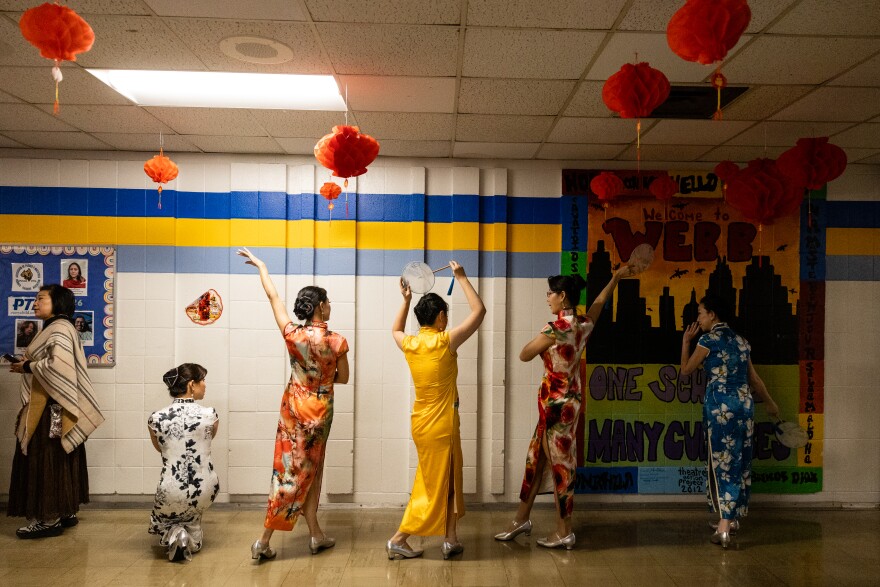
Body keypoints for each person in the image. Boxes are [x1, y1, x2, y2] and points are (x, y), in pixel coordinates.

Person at [495, 267, 630, 550]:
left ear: (562, 296)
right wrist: (614, 278)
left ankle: (564, 530)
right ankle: (521, 519)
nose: (547, 298)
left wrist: (544, 342)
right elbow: (599, 304)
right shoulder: (583, 324)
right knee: (537, 459)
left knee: (560, 467)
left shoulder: (555, 329)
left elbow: (524, 354)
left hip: (555, 407)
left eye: (550, 293)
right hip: (566, 405)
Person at [238, 247, 350, 561]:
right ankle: (263, 540)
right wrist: (321, 380)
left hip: (292, 410)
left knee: (296, 470)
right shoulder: (337, 341)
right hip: (319, 412)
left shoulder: (292, 334)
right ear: (320, 307)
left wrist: (262, 267)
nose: (330, 306)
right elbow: (343, 378)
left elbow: (274, 299)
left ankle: (315, 534)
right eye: (327, 302)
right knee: (300, 473)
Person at [387, 260, 485, 561]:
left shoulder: (411, 344)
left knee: (450, 479)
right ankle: (399, 537)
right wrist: (462, 277)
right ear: (441, 317)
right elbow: (479, 312)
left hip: (422, 424)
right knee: (432, 485)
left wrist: (405, 301)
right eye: (446, 314)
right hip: (442, 426)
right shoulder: (445, 342)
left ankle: (451, 538)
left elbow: (395, 329)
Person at [680, 294, 779, 549]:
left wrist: (685, 341)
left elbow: (686, 370)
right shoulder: (741, 341)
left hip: (720, 408)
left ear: (713, 314)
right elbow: (755, 380)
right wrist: (769, 403)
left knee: (722, 461)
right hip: (744, 405)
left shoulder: (707, 340)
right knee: (740, 459)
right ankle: (732, 518)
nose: (698, 318)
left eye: (701, 313)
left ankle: (724, 526)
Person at [6, 284, 104, 538]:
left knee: (45, 456)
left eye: (40, 299)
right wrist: (29, 366)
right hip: (57, 407)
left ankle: (48, 518)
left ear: (57, 303)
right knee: (60, 454)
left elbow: (57, 368)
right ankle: (65, 510)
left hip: (49, 407)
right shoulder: (63, 327)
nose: (35, 304)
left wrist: (27, 367)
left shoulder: (58, 329)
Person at [148, 363, 219, 562]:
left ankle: (174, 533)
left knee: (164, 518)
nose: (205, 385)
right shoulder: (210, 415)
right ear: (191, 385)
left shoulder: (156, 418)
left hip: (171, 488)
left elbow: (160, 448)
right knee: (193, 515)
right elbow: (207, 440)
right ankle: (190, 539)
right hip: (206, 487)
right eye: (202, 380)